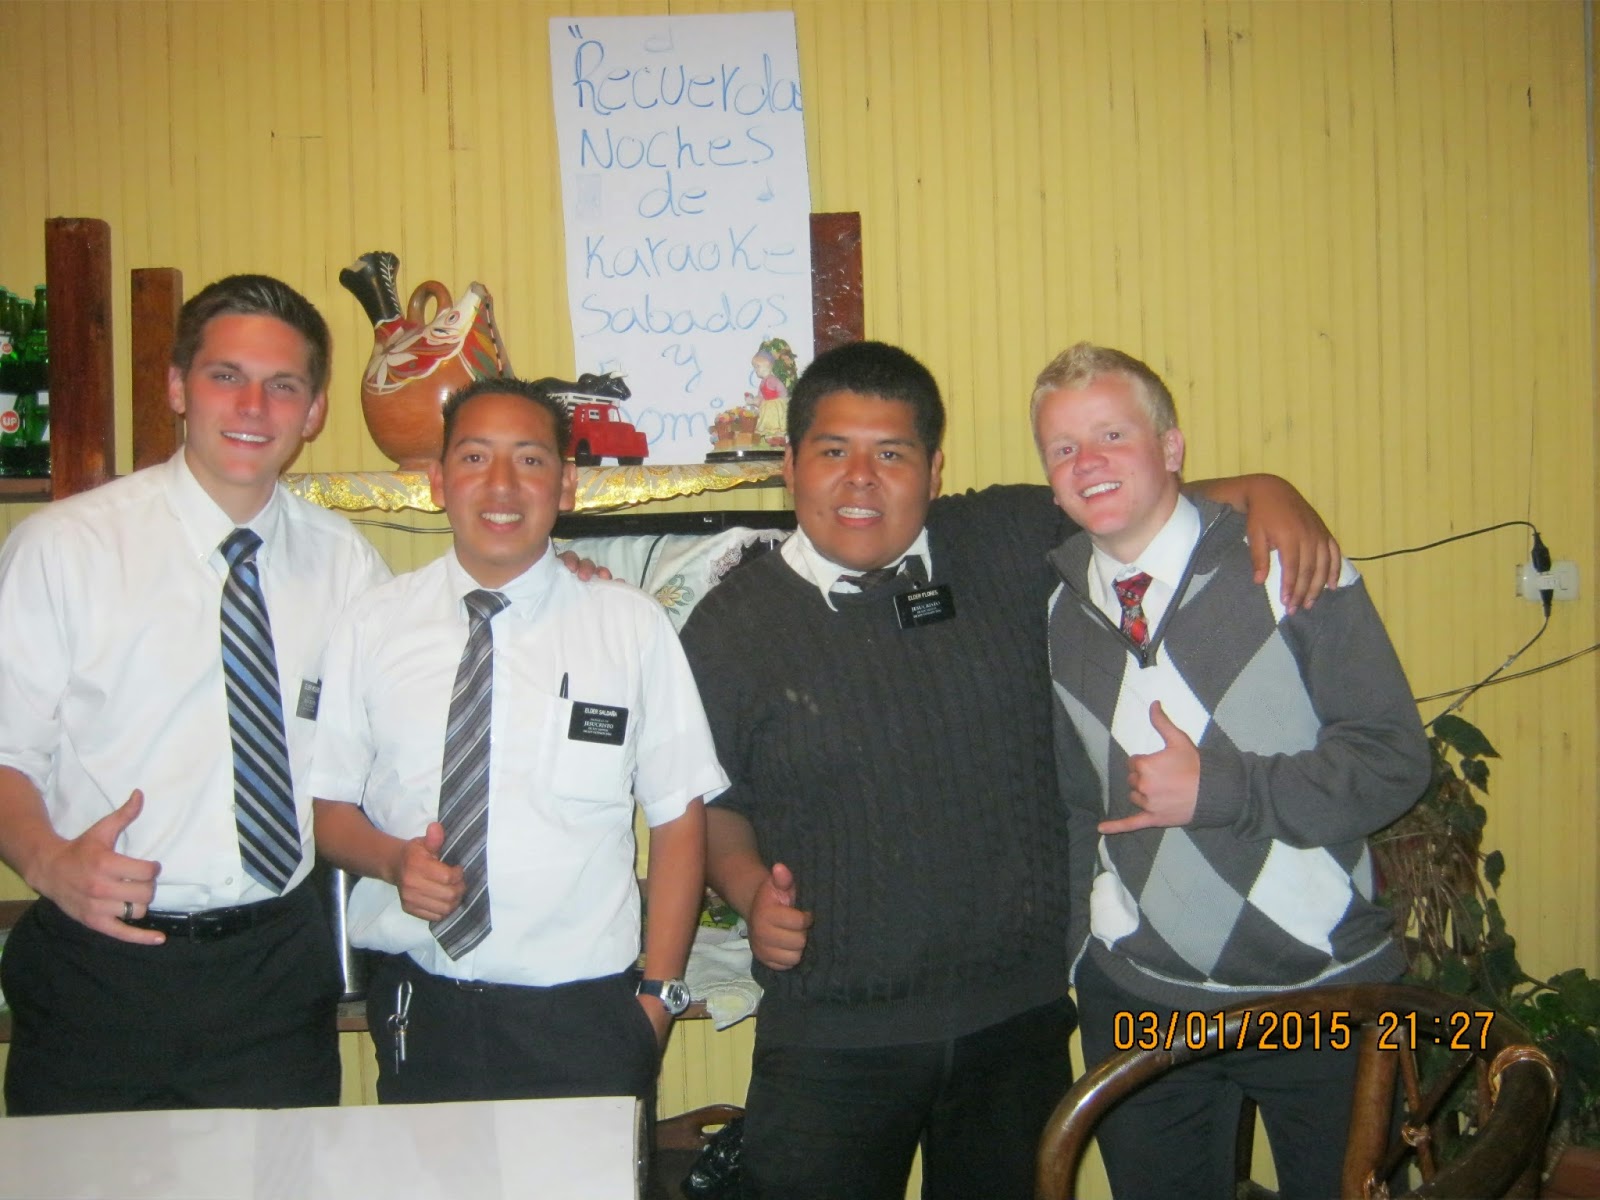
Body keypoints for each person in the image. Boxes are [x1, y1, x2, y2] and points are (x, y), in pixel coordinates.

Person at [677, 339, 1341, 1200]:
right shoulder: (730, 627)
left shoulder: (1007, 539)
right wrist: (746, 889)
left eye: (892, 454)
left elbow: (1138, 501)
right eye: (833, 451)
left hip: (1017, 1021)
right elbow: (714, 800)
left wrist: (1264, 491)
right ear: (790, 466)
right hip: (831, 1035)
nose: (861, 478)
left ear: (935, 471)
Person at [1032, 343, 1430, 1200]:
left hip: (1320, 992)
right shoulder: (1063, 610)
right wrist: (1081, 952)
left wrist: (1222, 790)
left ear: (1171, 447)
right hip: (1140, 996)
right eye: (1063, 448)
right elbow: (1077, 801)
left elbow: (1395, 759)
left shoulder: (1286, 563)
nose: (1088, 461)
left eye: (1112, 434)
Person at [0, 274, 391, 1115]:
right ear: (178, 387)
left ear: (314, 411)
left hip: (275, 971)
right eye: (225, 376)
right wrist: (48, 862)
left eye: (283, 385)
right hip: (100, 970)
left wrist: (554, 580)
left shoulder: (347, 565)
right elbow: (6, 753)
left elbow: (415, 695)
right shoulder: (64, 549)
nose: (253, 406)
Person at [309, 377, 724, 1105]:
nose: (501, 484)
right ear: (437, 481)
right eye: (474, 458)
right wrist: (393, 861)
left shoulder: (627, 626)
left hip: (585, 1014)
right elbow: (328, 809)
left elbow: (678, 815)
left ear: (565, 484)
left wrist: (657, 999)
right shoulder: (372, 626)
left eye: (530, 460)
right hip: (423, 1005)